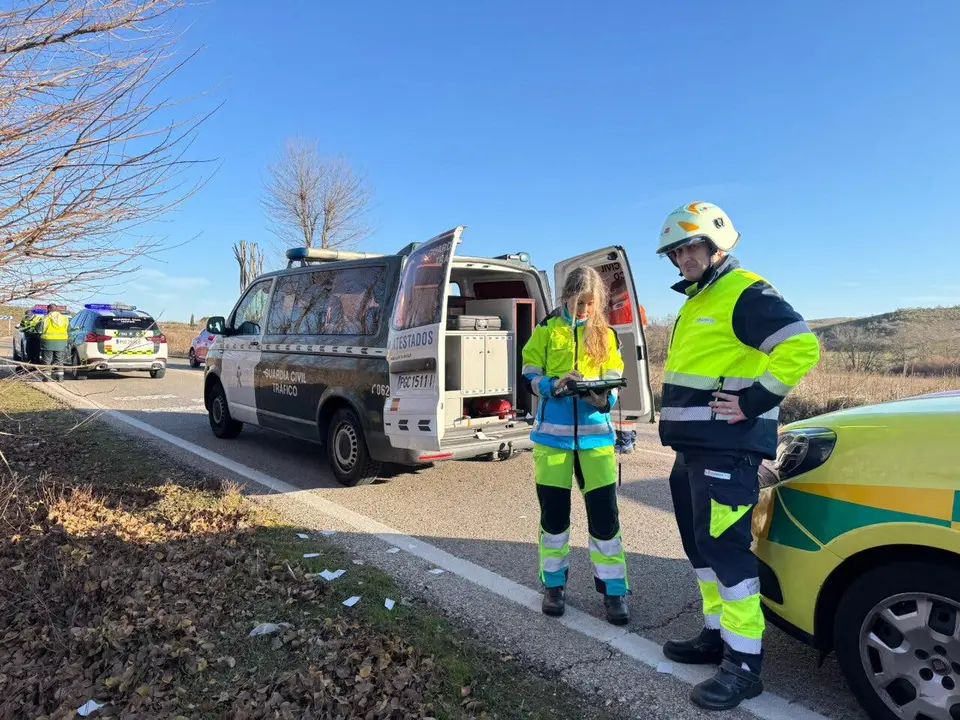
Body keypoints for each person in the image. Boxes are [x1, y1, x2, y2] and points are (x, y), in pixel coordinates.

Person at [655, 202, 820, 710]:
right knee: (701, 548)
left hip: (728, 450)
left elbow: (801, 346)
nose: (681, 257)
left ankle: (744, 665)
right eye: (675, 251)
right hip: (694, 449)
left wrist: (750, 402)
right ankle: (717, 635)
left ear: (716, 245)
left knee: (726, 552)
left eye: (689, 246)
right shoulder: (700, 297)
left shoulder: (744, 290)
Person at [521, 266, 630, 625]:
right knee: (554, 518)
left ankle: (614, 592)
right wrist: (554, 385)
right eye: (580, 301)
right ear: (567, 295)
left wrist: (604, 398)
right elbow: (529, 373)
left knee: (605, 519)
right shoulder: (546, 330)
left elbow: (614, 376)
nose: (585, 308)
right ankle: (554, 586)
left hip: (596, 438)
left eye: (591, 302)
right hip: (552, 440)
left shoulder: (605, 334)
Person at [38, 303, 69, 382]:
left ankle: (47, 377)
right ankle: (60, 378)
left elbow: (39, 329)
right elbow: (69, 330)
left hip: (48, 342)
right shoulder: (64, 318)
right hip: (61, 342)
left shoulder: (46, 318)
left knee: (47, 360)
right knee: (59, 360)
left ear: (48, 309)